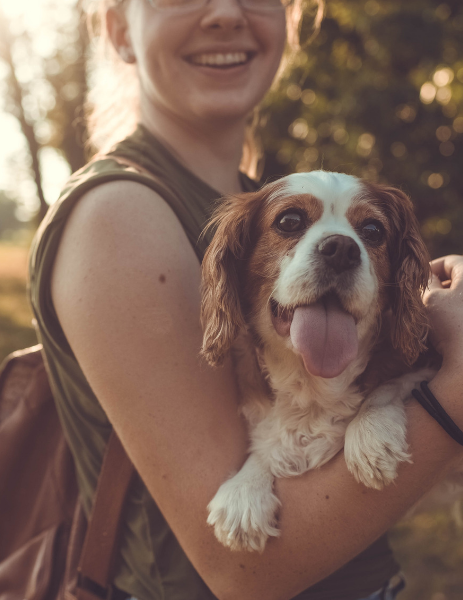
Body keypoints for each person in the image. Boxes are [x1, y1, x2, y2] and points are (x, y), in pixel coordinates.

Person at [28, 0, 463, 598]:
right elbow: (240, 570)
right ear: (120, 26)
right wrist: (456, 392)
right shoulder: (118, 214)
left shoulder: (259, 198)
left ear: (287, 21)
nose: (226, 13)